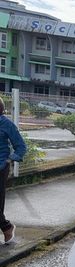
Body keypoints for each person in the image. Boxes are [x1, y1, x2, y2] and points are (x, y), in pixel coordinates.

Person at [0, 98, 26, 244]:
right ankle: (6, 227)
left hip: (1, 167)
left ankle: (7, 227)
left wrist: (10, 159)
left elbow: (21, 146)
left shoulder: (7, 124)